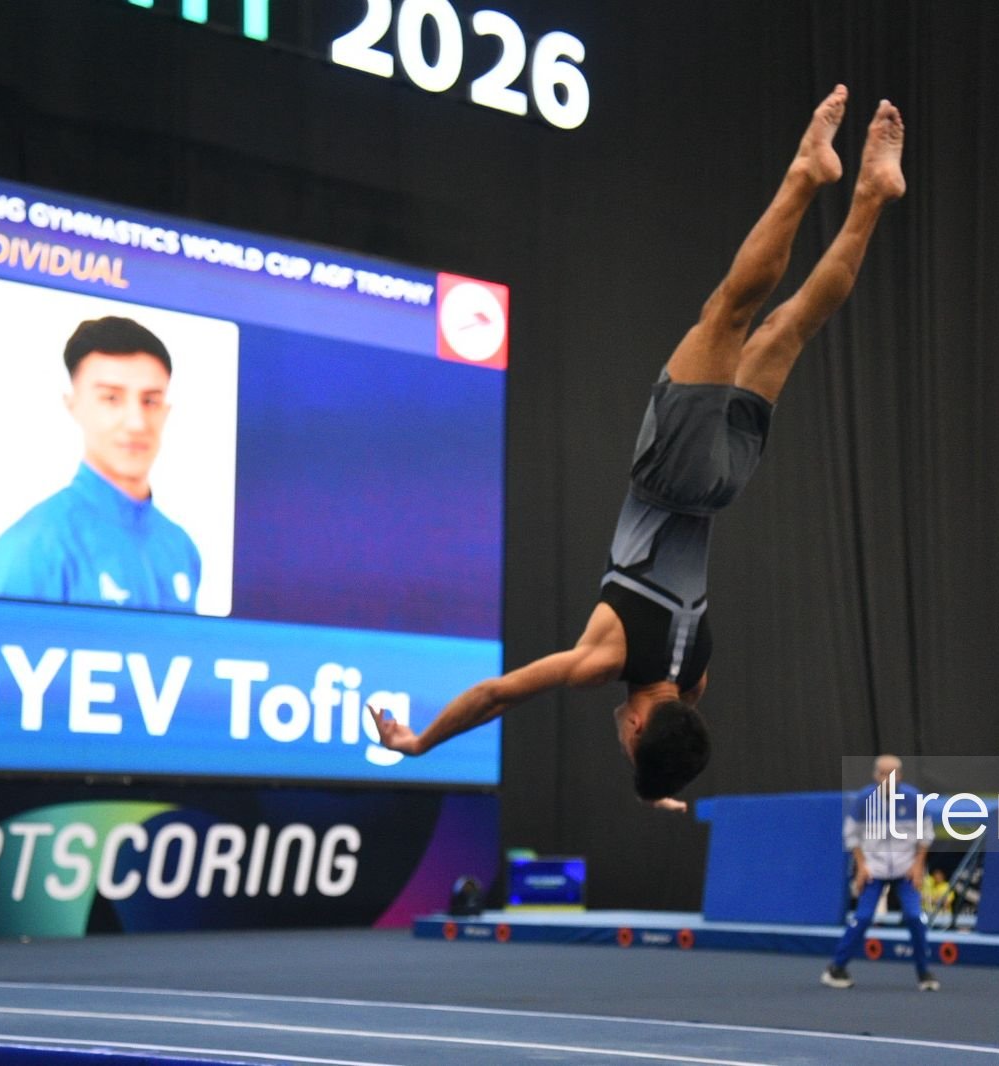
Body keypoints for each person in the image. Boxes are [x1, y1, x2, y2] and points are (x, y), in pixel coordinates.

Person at [370, 86, 906, 808]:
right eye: (630, 745)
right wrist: (418, 743)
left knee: (792, 326)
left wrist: (659, 784)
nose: (622, 736)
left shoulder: (696, 674)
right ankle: (807, 174)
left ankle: (872, 196)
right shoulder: (607, 658)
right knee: (729, 311)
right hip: (673, 475)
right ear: (635, 729)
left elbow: (675, 725)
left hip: (723, 485)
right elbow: (498, 693)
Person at [0, 316, 202, 612]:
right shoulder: (37, 546)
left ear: (166, 411)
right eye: (111, 398)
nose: (136, 423)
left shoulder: (180, 547)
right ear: (74, 405)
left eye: (150, 401)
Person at [821, 755, 939, 991]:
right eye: (883, 773)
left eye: (892, 774)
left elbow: (926, 835)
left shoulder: (914, 799)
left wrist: (917, 866)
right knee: (863, 917)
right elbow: (851, 835)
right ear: (875, 775)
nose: (887, 779)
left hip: (905, 870)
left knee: (915, 917)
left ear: (900, 776)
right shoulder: (864, 800)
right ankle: (836, 968)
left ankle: (924, 972)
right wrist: (861, 866)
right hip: (874, 870)